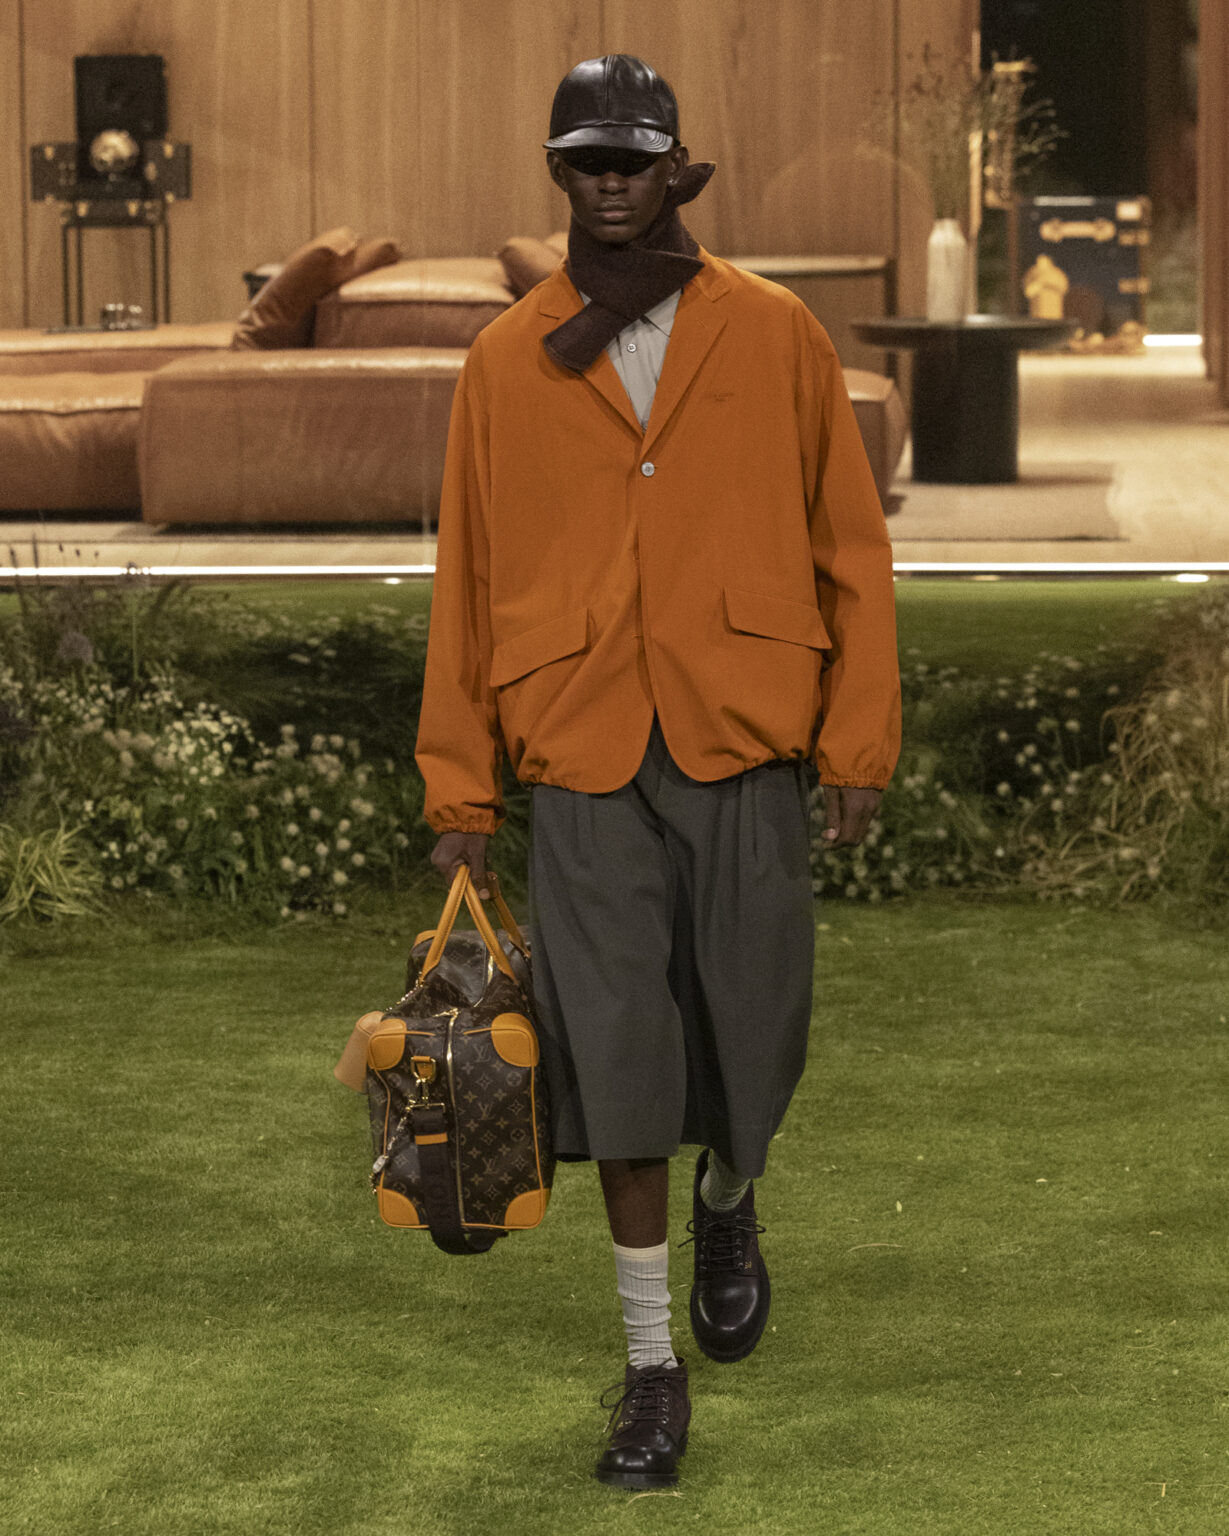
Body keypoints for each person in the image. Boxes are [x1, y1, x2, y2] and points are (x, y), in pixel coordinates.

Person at [416, 53, 900, 1491]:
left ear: (675, 167)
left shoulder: (775, 331)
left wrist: (857, 738)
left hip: (742, 725)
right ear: (558, 175)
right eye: (587, 161)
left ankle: (732, 1192)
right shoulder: (506, 361)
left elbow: (851, 546)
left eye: (632, 158)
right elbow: (467, 578)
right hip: (578, 743)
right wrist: (460, 786)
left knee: (758, 1036)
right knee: (617, 1062)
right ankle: (647, 1369)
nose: (611, 181)